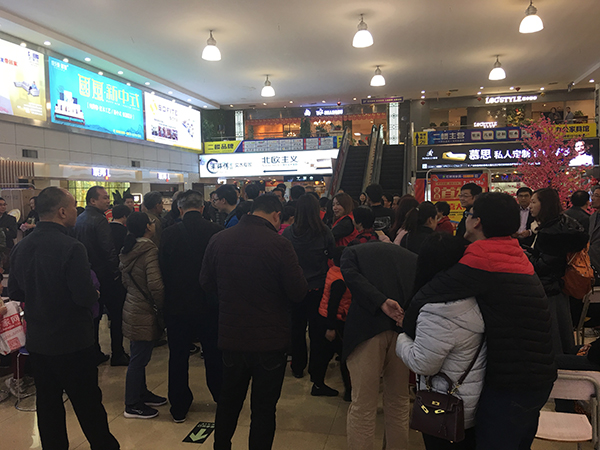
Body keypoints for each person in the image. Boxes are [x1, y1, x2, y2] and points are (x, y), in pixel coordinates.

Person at [403, 192, 556, 450]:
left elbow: (424, 297)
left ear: (477, 222)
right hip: (538, 377)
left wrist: (405, 328)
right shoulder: (514, 251)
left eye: (470, 214)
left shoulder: (482, 258)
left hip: (511, 384)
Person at [8, 187, 120, 450]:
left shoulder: (22, 247)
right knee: (88, 403)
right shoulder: (72, 247)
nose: (75, 213)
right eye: (72, 208)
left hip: (39, 340)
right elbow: (83, 296)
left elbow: (15, 292)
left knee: (48, 404)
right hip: (73, 341)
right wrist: (95, 293)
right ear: (61, 211)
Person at [200, 194, 308, 450]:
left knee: (228, 402)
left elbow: (205, 282)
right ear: (276, 215)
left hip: (232, 338)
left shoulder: (219, 239)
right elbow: (298, 292)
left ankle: (221, 446)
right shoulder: (280, 244)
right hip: (270, 342)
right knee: (263, 409)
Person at [396, 233, 485, 450]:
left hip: (444, 408)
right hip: (472, 401)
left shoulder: (438, 311)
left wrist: (401, 338)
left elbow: (423, 363)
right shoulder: (472, 295)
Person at [341, 240, 416, 450]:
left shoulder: (352, 252)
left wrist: (380, 301)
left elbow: (352, 278)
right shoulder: (412, 258)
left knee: (363, 405)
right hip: (402, 333)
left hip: (365, 331)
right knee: (399, 402)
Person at [159, 190, 224, 423]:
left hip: (177, 305)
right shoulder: (216, 232)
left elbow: (162, 270)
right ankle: (221, 398)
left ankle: (179, 406)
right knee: (214, 354)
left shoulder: (168, 234)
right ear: (203, 208)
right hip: (209, 304)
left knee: (178, 356)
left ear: (179, 209)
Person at [527, 187, 588, 355]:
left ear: (544, 205)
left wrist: (526, 256)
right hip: (561, 287)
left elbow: (544, 266)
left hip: (549, 288)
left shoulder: (550, 233)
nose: (530, 206)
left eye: (534, 202)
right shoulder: (564, 224)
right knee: (562, 333)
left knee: (551, 336)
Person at [282, 194, 335, 386]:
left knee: (296, 329)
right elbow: (332, 255)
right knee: (317, 331)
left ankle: (297, 366)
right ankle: (316, 369)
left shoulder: (288, 233)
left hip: (295, 288)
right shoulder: (325, 232)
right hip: (318, 287)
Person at [119, 212, 166, 419]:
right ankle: (132, 403)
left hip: (132, 304)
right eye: (152, 222)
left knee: (139, 354)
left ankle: (142, 392)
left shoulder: (127, 249)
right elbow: (155, 285)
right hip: (144, 310)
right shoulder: (149, 250)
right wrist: (162, 306)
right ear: (147, 227)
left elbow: (126, 281)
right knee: (139, 359)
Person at [75, 186, 128, 366]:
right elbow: (108, 249)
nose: (108, 201)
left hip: (88, 274)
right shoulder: (99, 220)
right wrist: (116, 273)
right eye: (104, 198)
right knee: (116, 315)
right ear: (93, 201)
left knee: (95, 317)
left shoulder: (79, 219)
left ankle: (95, 351)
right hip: (105, 275)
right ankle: (118, 353)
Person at [313, 246, 352, 402]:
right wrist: (331, 328)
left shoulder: (333, 271)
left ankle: (317, 384)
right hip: (334, 321)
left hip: (325, 318)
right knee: (344, 356)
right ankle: (349, 391)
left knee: (325, 354)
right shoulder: (340, 280)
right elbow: (333, 305)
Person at [0, 197, 17, 271]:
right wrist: (5, 229)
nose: (3, 207)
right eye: (0, 205)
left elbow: (14, 234)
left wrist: (3, 230)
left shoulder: (11, 219)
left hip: (7, 248)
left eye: (4, 204)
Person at [589, 186, 600, 273]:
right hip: (592, 262)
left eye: (596, 196)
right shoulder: (593, 217)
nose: (592, 198)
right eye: (592, 195)